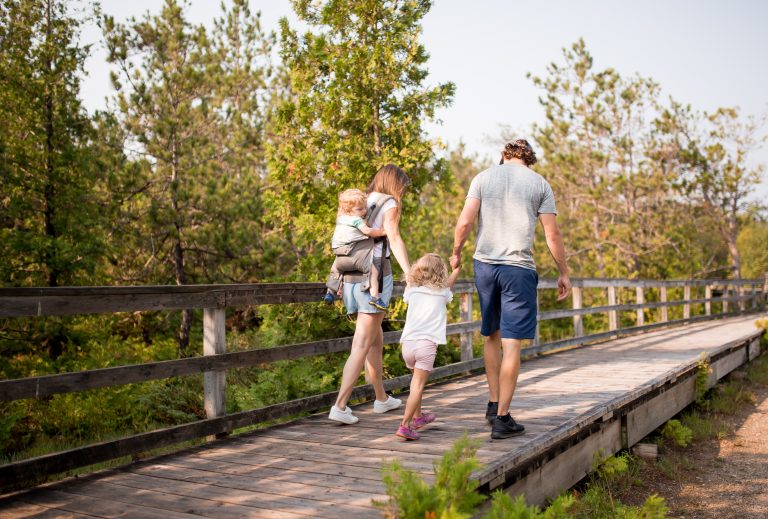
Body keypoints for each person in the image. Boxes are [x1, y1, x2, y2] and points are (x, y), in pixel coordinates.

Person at [451, 139, 571, 440]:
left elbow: (464, 223)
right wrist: (563, 272)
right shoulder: (540, 184)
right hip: (518, 269)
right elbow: (552, 235)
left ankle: (493, 404)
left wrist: (456, 252)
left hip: (485, 266)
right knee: (512, 343)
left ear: (504, 156)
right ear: (529, 159)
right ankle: (503, 418)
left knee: (490, 334)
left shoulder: (484, 177)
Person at [329, 164, 412, 424]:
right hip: (373, 277)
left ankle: (381, 398)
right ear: (395, 185)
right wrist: (409, 273)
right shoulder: (389, 203)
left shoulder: (360, 201)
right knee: (361, 343)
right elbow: (394, 239)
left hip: (351, 278)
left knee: (375, 338)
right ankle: (340, 405)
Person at [395, 253, 460, 440]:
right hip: (426, 345)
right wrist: (457, 269)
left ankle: (418, 417)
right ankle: (404, 425)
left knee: (415, 383)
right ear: (440, 273)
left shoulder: (412, 290)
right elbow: (449, 284)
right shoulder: (442, 293)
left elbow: (410, 282)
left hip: (407, 344)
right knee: (418, 385)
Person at [323, 188, 388, 309]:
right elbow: (368, 231)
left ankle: (329, 293)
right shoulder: (356, 220)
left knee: (335, 272)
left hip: (339, 256)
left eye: (365, 207)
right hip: (355, 256)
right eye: (360, 209)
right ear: (348, 210)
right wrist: (383, 231)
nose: (364, 211)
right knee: (373, 271)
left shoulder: (340, 218)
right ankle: (375, 297)